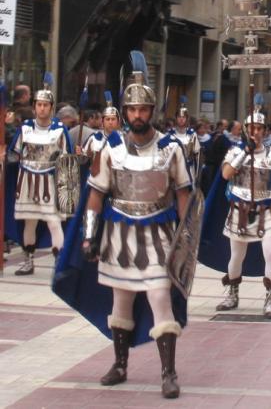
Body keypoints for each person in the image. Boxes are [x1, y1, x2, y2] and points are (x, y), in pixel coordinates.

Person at [78, 54, 193, 398]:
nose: (138, 115)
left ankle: (168, 373)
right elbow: (97, 194)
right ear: (125, 113)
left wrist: (185, 236)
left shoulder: (171, 148)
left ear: (152, 111)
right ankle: (120, 364)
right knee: (121, 302)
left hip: (159, 235)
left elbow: (184, 193)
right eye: (132, 110)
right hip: (118, 235)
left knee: (160, 297)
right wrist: (88, 235)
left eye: (143, 109)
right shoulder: (111, 149)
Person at [204, 111, 271, 319]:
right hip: (240, 209)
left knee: (270, 253)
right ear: (246, 129)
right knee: (236, 256)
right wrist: (245, 152)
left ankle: (270, 299)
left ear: (264, 131)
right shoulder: (235, 151)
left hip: (267, 210)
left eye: (259, 128)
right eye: (252, 128)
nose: (256, 132)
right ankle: (232, 294)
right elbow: (226, 175)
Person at [8, 72, 72, 275]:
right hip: (27, 180)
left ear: (51, 108)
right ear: (34, 106)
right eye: (38, 104)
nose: (41, 108)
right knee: (29, 222)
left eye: (45, 105)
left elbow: (67, 160)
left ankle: (59, 263)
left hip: (51, 181)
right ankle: (28, 261)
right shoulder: (25, 128)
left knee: (54, 222)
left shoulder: (60, 130)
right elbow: (14, 154)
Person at [81, 92, 122, 164]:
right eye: (107, 119)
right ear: (102, 122)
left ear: (118, 122)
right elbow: (84, 159)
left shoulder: (125, 139)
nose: (110, 122)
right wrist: (80, 152)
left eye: (113, 119)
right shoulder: (94, 138)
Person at [167, 96, 201, 182]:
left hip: (188, 170)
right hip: (173, 170)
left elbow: (197, 155)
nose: (181, 119)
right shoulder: (169, 134)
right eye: (179, 117)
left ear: (186, 119)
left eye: (183, 117)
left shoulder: (192, 134)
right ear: (176, 118)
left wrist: (197, 175)